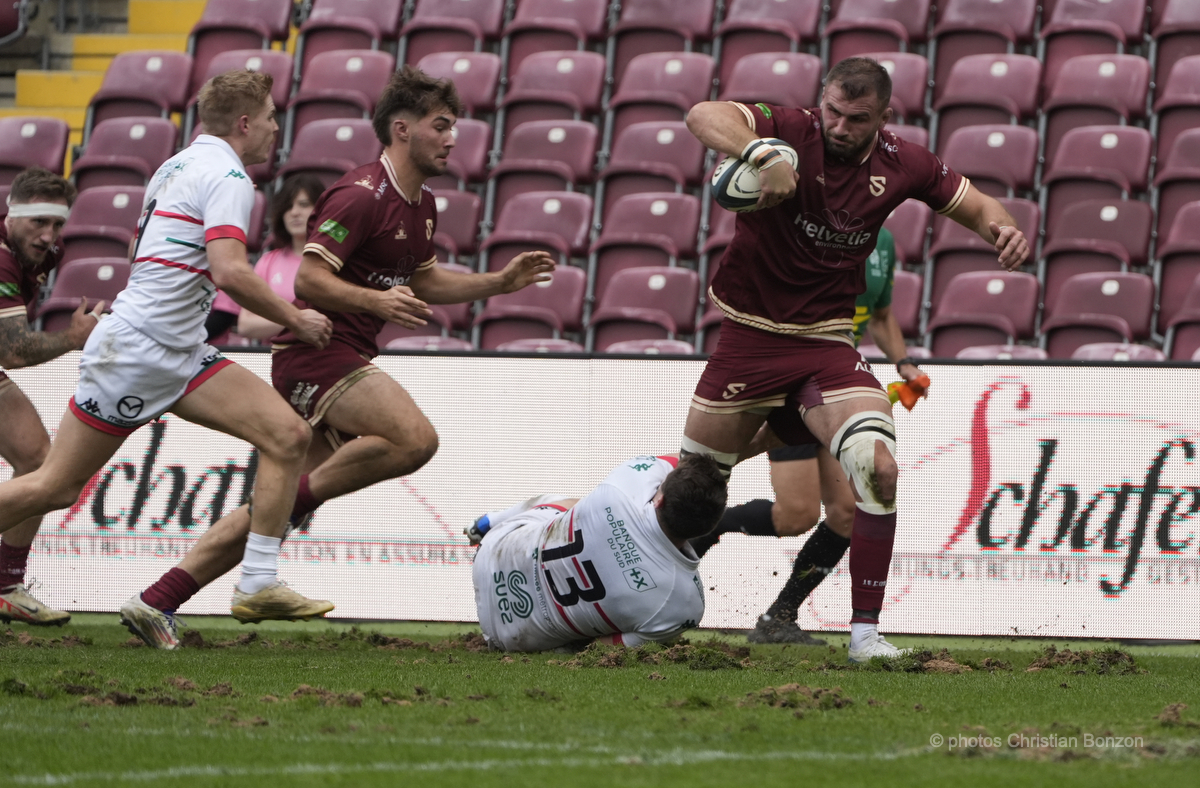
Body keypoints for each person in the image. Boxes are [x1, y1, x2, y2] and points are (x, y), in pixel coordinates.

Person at [125, 65, 556, 648]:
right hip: (315, 352)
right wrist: (376, 298)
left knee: (269, 507)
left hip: (342, 352)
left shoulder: (421, 204)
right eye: (442, 126)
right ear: (401, 129)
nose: (453, 138)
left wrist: (498, 284)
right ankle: (289, 516)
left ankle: (156, 601)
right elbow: (309, 280)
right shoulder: (359, 194)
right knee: (413, 439)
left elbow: (425, 281)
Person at [682, 57, 1029, 662]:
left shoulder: (905, 162)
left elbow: (977, 206)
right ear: (822, 101)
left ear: (883, 118)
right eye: (833, 112)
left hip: (827, 345)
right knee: (692, 493)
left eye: (856, 118)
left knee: (878, 470)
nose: (840, 126)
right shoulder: (789, 128)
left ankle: (863, 634)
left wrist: (1005, 229)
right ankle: (633, 595)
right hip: (748, 339)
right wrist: (762, 156)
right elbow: (703, 114)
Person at [0, 70, 335, 647]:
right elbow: (230, 271)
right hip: (136, 352)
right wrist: (294, 317)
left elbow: (151, 253)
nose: (279, 127)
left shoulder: (176, 164)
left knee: (287, 435)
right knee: (53, 485)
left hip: (176, 349)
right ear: (245, 122)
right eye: (273, 116)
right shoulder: (229, 176)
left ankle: (256, 580)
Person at [691, 228, 924, 645]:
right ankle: (706, 526)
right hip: (793, 381)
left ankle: (779, 617)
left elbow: (882, 315)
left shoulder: (885, 241)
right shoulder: (812, 221)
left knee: (847, 514)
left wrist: (904, 364)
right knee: (794, 517)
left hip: (840, 382)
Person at [468, 453, 727, 652]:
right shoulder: (685, 606)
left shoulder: (626, 486)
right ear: (711, 525)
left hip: (491, 553)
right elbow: (602, 648)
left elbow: (677, 458)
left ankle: (487, 523)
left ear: (659, 499)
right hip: (508, 637)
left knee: (574, 506)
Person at [0, 168, 102, 626]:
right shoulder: (2, 257)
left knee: (42, 464)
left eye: (57, 224)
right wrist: (72, 338)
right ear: (12, 214)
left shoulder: (39, 255)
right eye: (38, 221)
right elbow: (14, 350)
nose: (48, 236)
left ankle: (5, 584)